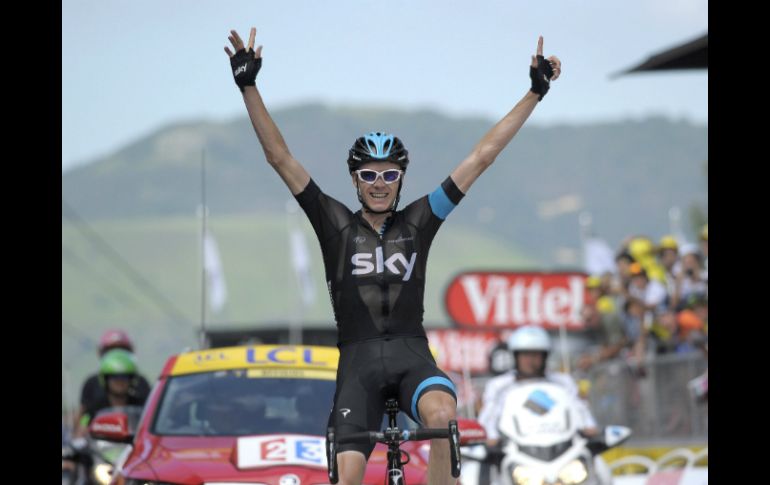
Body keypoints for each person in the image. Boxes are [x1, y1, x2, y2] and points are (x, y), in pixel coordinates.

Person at [224, 27, 561, 485]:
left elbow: (482, 156)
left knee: (442, 414)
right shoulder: (333, 222)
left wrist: (534, 93)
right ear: (355, 180)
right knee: (349, 475)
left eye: (389, 173)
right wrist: (249, 87)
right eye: (368, 174)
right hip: (357, 366)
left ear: (401, 178)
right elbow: (279, 158)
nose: (379, 182)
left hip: (411, 355)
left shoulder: (420, 221)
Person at [73, 329, 151, 437]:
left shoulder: (142, 384)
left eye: (125, 377)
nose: (120, 382)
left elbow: (151, 417)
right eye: (114, 378)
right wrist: (77, 438)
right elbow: (83, 418)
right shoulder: (91, 385)